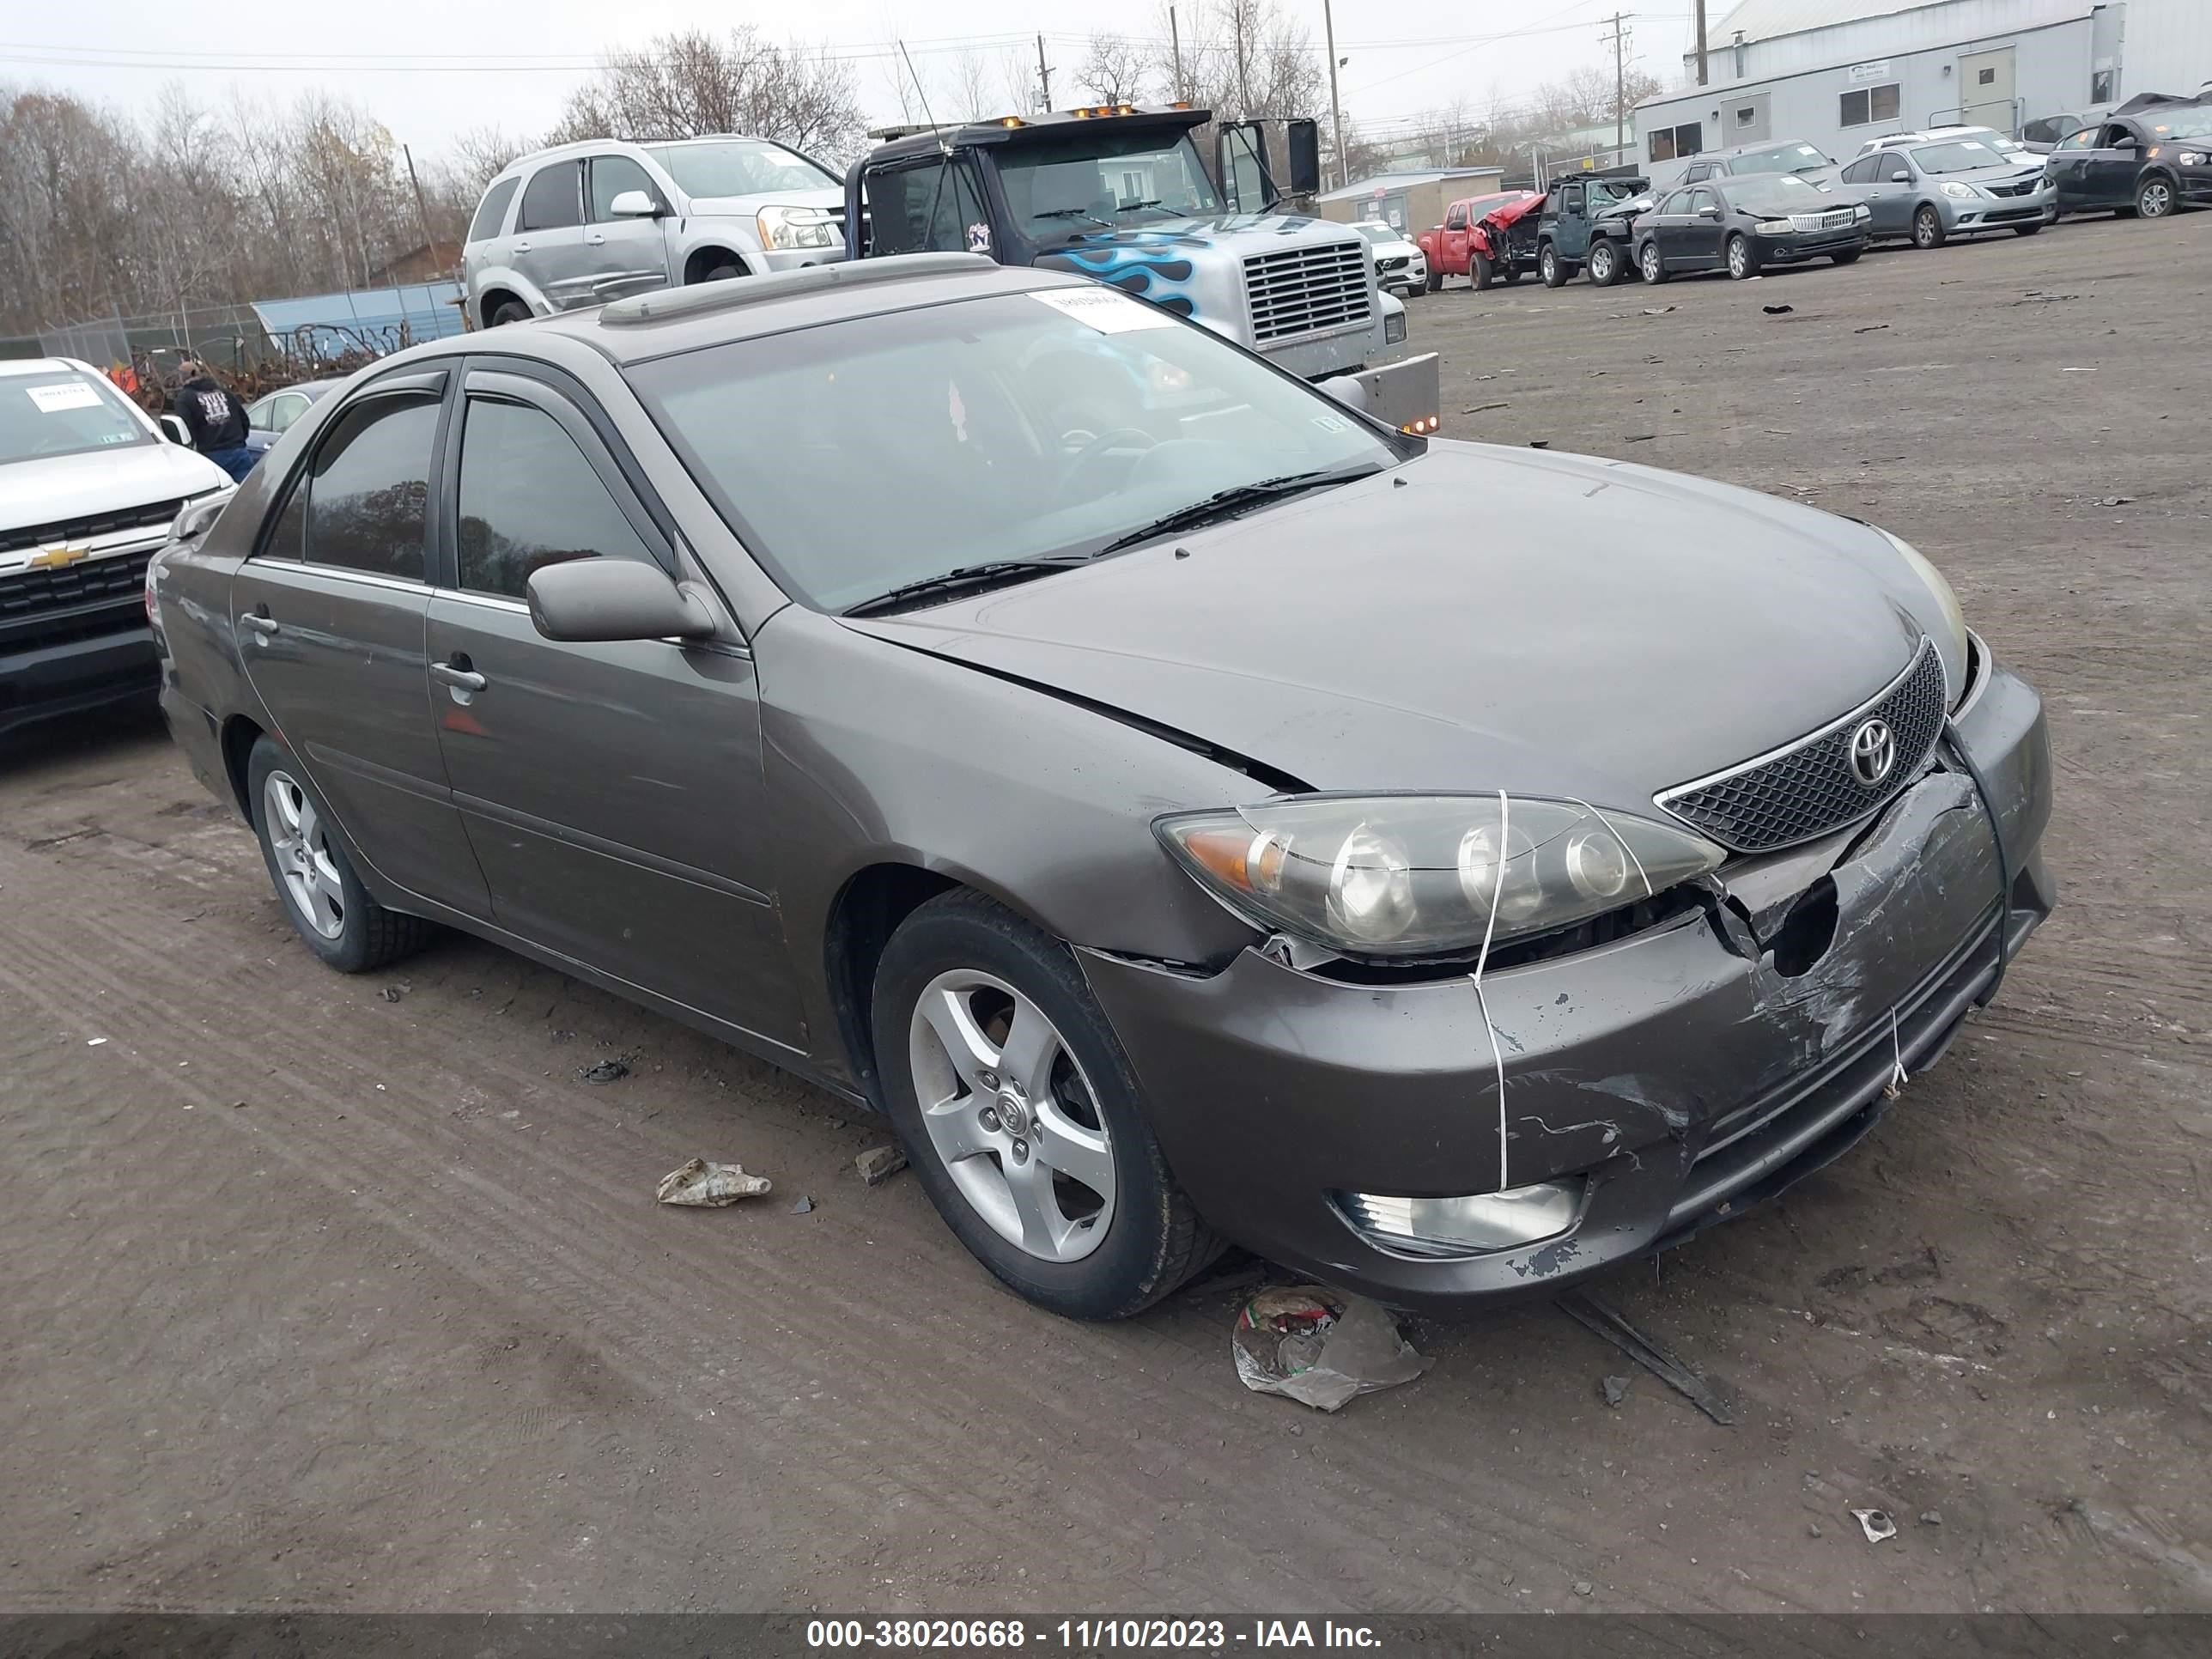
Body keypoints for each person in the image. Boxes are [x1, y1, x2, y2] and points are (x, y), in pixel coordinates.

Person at [169, 359, 258, 482]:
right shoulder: (225, 393)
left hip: (211, 457)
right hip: (238, 452)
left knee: (220, 498)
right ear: (200, 374)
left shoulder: (184, 400)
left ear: (181, 378)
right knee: (247, 494)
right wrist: (238, 441)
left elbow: (186, 432)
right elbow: (244, 420)